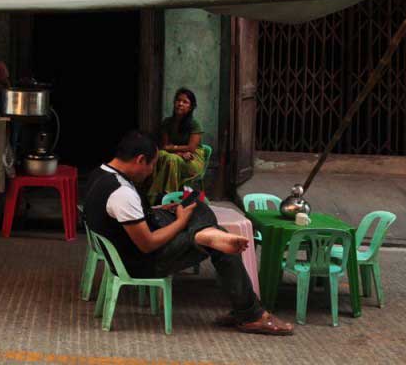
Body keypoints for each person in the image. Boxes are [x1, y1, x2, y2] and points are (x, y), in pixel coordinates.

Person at [84, 131, 293, 336]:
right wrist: (181, 221)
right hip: (143, 262)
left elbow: (123, 219)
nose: (151, 171)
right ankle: (250, 313)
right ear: (140, 159)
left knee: (195, 205)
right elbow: (147, 244)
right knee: (216, 239)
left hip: (131, 247)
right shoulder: (121, 193)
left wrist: (158, 211)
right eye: (152, 165)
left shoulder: (100, 175)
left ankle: (204, 235)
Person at [148, 87, 205, 203]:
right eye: (178, 100)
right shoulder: (167, 122)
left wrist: (173, 149)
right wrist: (179, 152)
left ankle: (167, 195)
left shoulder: (194, 124)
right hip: (176, 155)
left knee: (171, 159)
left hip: (192, 159)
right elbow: (165, 146)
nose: (180, 104)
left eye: (185, 102)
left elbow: (191, 148)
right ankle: (159, 193)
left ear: (190, 107)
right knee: (162, 154)